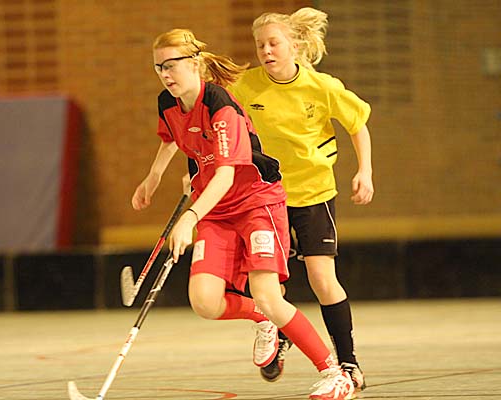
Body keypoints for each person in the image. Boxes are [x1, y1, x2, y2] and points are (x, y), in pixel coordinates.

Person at [132, 28, 355, 400]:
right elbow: (171, 136)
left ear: (195, 64)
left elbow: (226, 173)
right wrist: (153, 177)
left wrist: (190, 217)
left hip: (256, 204)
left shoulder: (221, 105)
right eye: (159, 67)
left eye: (172, 65)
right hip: (217, 212)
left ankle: (335, 373)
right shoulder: (167, 102)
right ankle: (261, 317)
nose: (165, 74)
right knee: (205, 302)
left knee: (267, 293)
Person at [228, 7, 373, 393]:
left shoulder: (321, 87)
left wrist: (365, 171)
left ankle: (348, 362)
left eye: (273, 43)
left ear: (294, 46)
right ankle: (279, 333)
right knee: (266, 284)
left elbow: (358, 124)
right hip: (265, 197)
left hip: (313, 194)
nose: (266, 51)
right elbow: (219, 118)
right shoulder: (245, 86)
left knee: (322, 278)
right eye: (260, 45)